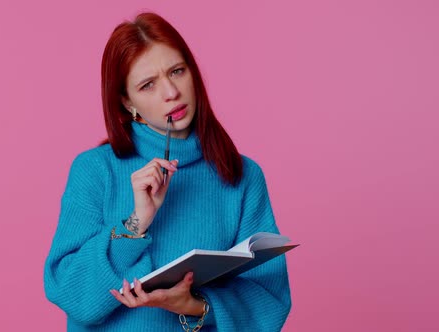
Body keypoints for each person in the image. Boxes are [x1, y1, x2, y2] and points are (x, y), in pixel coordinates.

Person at [44, 12, 291, 331]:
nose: (171, 92)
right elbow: (73, 297)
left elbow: (270, 301)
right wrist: (135, 224)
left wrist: (194, 305)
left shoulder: (242, 175)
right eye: (148, 85)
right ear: (127, 101)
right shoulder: (94, 170)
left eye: (177, 71)